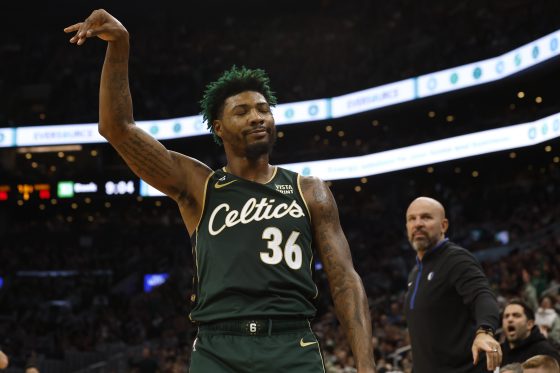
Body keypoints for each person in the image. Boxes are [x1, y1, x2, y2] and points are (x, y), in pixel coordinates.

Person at [64, 9, 376, 373]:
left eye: (263, 109)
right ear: (219, 128)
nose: (257, 117)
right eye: (242, 112)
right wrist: (120, 45)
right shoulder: (200, 185)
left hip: (292, 344)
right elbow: (117, 128)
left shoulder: (310, 190)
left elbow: (344, 282)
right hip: (218, 348)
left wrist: (367, 367)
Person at [403, 196, 502, 372]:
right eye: (412, 219)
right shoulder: (414, 272)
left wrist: (484, 332)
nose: (417, 224)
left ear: (444, 226)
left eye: (426, 217)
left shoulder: (456, 259)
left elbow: (482, 295)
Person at [501, 299, 560, 366]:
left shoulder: (546, 353)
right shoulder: (497, 352)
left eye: (516, 315)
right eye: (506, 316)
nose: (510, 319)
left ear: (529, 324)